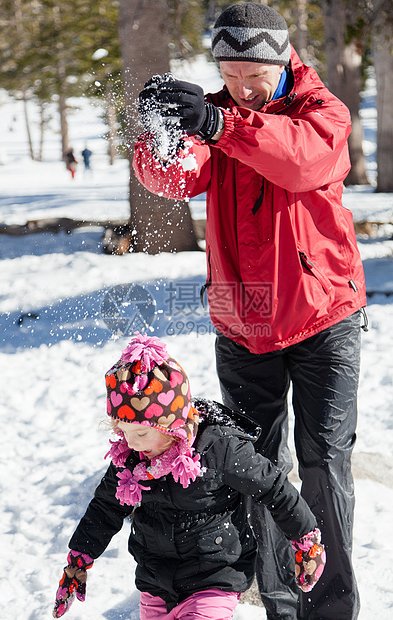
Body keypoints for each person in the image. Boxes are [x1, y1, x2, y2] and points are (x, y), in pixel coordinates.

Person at [132, 4, 367, 619]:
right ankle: (282, 606)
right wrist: (157, 131)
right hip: (244, 320)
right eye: (228, 74)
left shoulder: (323, 113)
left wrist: (220, 123)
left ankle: (331, 609)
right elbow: (174, 177)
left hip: (323, 317)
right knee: (256, 471)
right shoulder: (217, 119)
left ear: (282, 59)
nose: (241, 88)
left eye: (252, 75)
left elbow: (300, 161)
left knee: (321, 466)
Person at [52, 333, 326, 619]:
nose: (131, 443)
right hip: (156, 581)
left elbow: (274, 487)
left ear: (170, 424)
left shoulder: (219, 449)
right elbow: (105, 509)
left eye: (141, 433)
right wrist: (78, 560)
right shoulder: (129, 461)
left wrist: (305, 538)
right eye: (123, 431)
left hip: (214, 578)